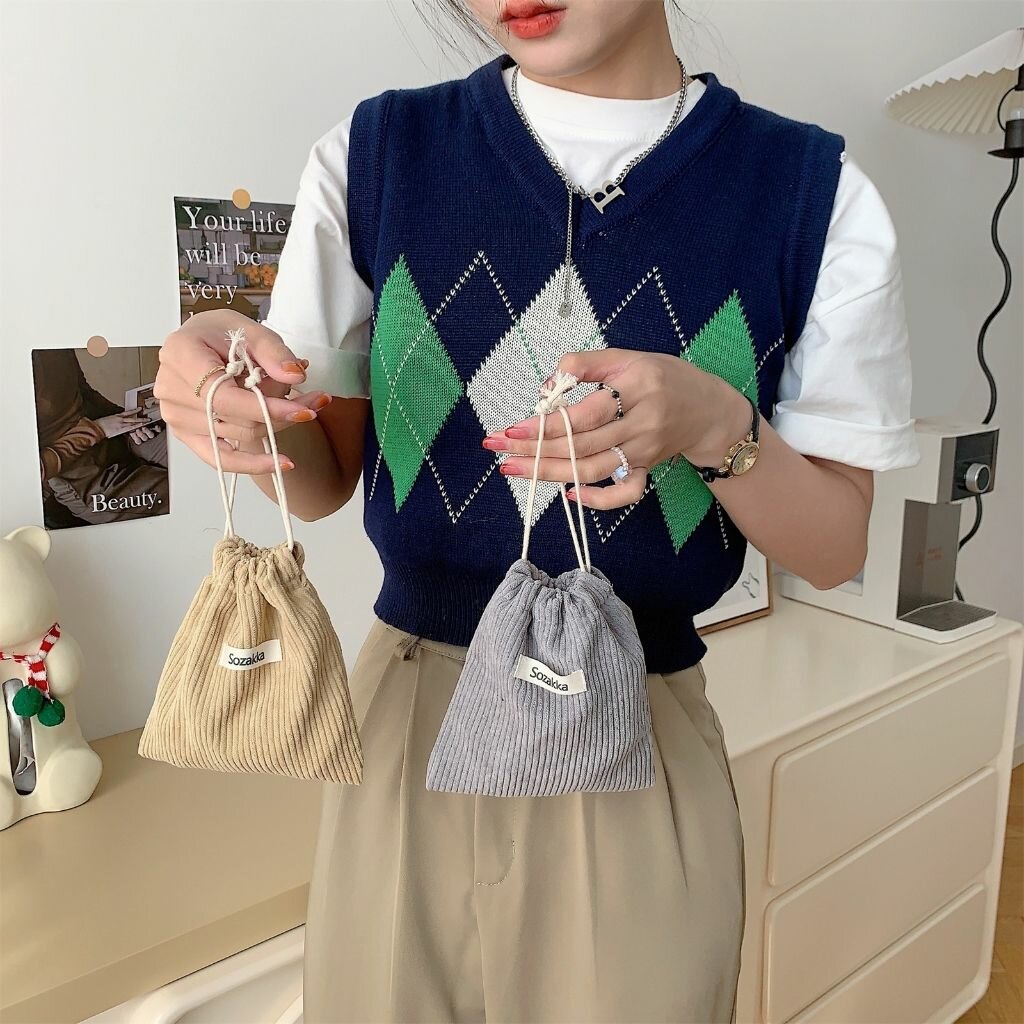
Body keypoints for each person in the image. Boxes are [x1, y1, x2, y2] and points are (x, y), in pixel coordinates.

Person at [153, 1, 919, 1020]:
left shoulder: (809, 193)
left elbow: (832, 545)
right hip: (407, 723)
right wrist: (228, 390)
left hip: (636, 734)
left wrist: (714, 423)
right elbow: (321, 478)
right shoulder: (377, 156)